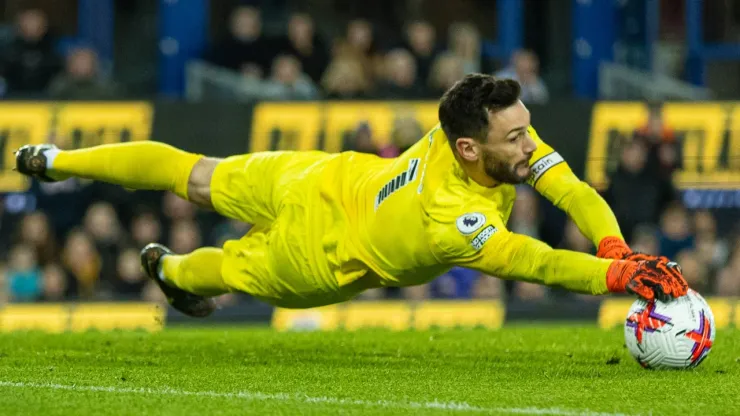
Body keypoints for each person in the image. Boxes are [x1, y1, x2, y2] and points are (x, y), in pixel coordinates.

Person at [14, 74, 688, 318]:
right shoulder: (453, 216)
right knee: (222, 256)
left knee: (195, 175)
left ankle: (55, 159)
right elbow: (531, 261)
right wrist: (611, 277)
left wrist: (614, 247)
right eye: (515, 138)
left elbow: (572, 189)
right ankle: (169, 270)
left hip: (322, 178)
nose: (529, 147)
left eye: (527, 130)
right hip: (320, 251)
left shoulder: (482, 135)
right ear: (467, 148)